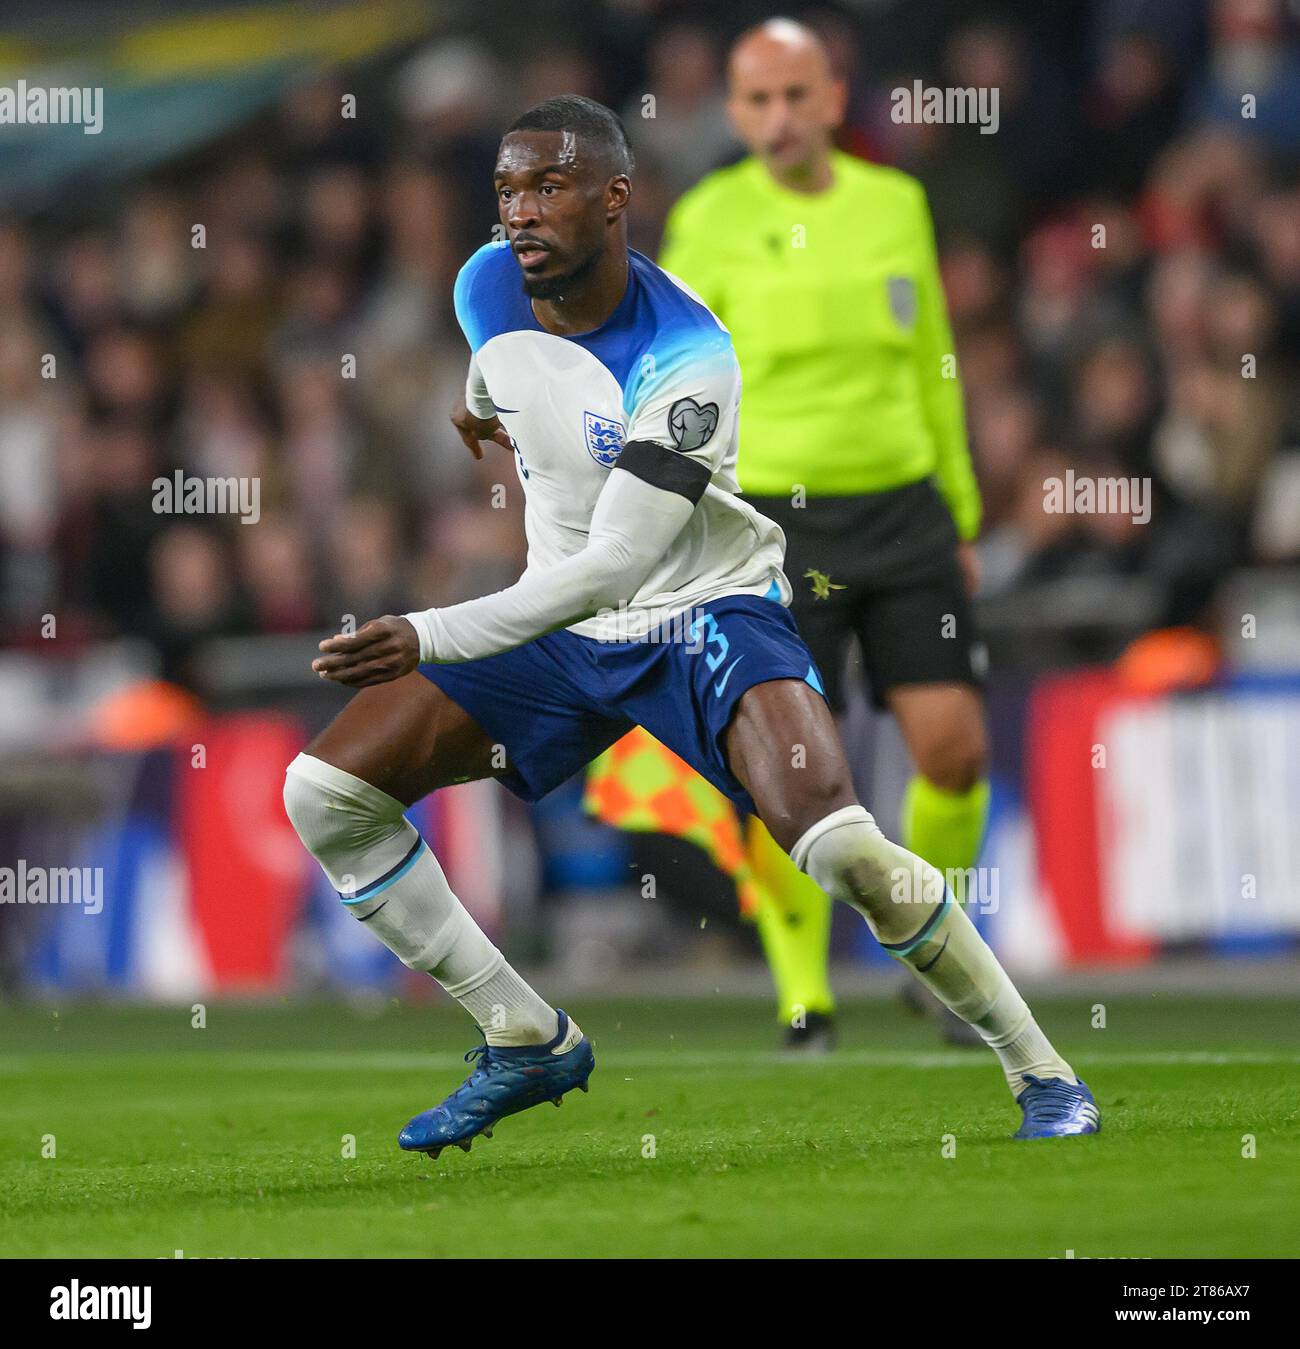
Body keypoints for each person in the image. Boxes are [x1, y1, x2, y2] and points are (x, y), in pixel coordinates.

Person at [282, 94, 1099, 1156]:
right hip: (567, 626)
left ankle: (1044, 1071)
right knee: (328, 797)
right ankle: (523, 1031)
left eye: (547, 186)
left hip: (698, 610)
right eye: (506, 190)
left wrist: (427, 633)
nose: (518, 213)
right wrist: (476, 403)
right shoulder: (486, 285)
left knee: (843, 850)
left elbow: (617, 564)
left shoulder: (689, 362)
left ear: (615, 198)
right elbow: (501, 372)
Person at [587, 19, 990, 1048]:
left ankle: (938, 958)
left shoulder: (894, 203)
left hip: (902, 508)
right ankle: (803, 992)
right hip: (771, 522)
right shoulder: (711, 221)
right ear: (733, 111)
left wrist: (962, 509)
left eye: (795, 96)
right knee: (791, 766)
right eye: (757, 100)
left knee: (951, 747)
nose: (777, 117)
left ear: (832, 97)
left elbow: (932, 357)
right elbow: (669, 377)